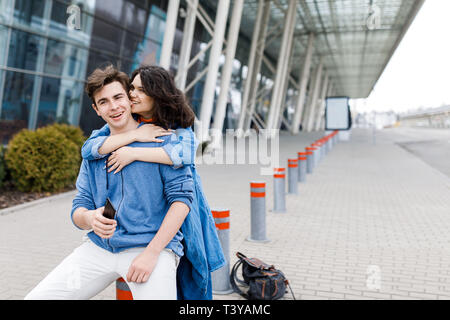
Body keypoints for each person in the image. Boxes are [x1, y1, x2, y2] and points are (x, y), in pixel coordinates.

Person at [25, 65, 195, 300]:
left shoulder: (165, 139)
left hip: (151, 248)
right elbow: (80, 205)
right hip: (99, 248)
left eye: (118, 97)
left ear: (130, 98)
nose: (114, 107)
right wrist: (89, 218)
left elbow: (182, 202)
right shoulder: (95, 149)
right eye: (103, 102)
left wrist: (152, 253)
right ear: (96, 109)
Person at [80, 65, 225, 300]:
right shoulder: (130, 122)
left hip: (184, 212)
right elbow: (89, 148)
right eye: (132, 88)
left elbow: (185, 155)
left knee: (191, 276)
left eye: (141, 90)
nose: (132, 95)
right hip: (137, 230)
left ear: (157, 94)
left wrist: (134, 153)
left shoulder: (177, 127)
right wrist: (135, 136)